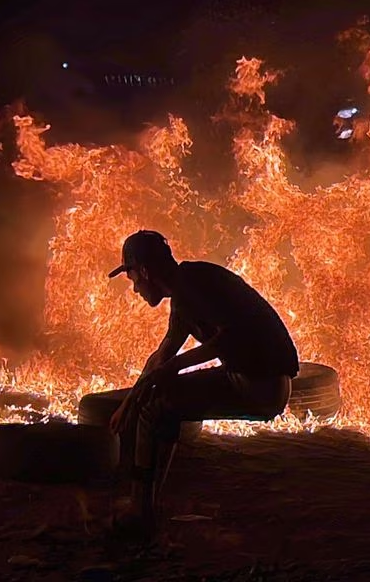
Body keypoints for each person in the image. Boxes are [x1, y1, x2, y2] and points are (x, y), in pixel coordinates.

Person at [107, 230, 299, 537]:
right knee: (157, 401)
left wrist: (171, 370)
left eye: (132, 280)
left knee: (157, 404)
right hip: (255, 380)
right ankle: (147, 504)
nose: (135, 290)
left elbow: (230, 337)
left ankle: (140, 511)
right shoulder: (187, 289)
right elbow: (162, 355)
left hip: (261, 386)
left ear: (143, 271)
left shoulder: (194, 286)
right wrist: (129, 402)